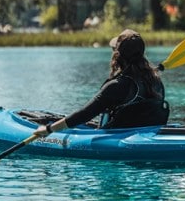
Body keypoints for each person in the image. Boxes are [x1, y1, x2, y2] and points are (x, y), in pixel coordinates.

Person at [33, 29, 169, 137]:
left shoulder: (117, 85)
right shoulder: (155, 80)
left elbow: (84, 114)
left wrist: (50, 129)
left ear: (117, 55)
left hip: (119, 136)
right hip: (147, 132)